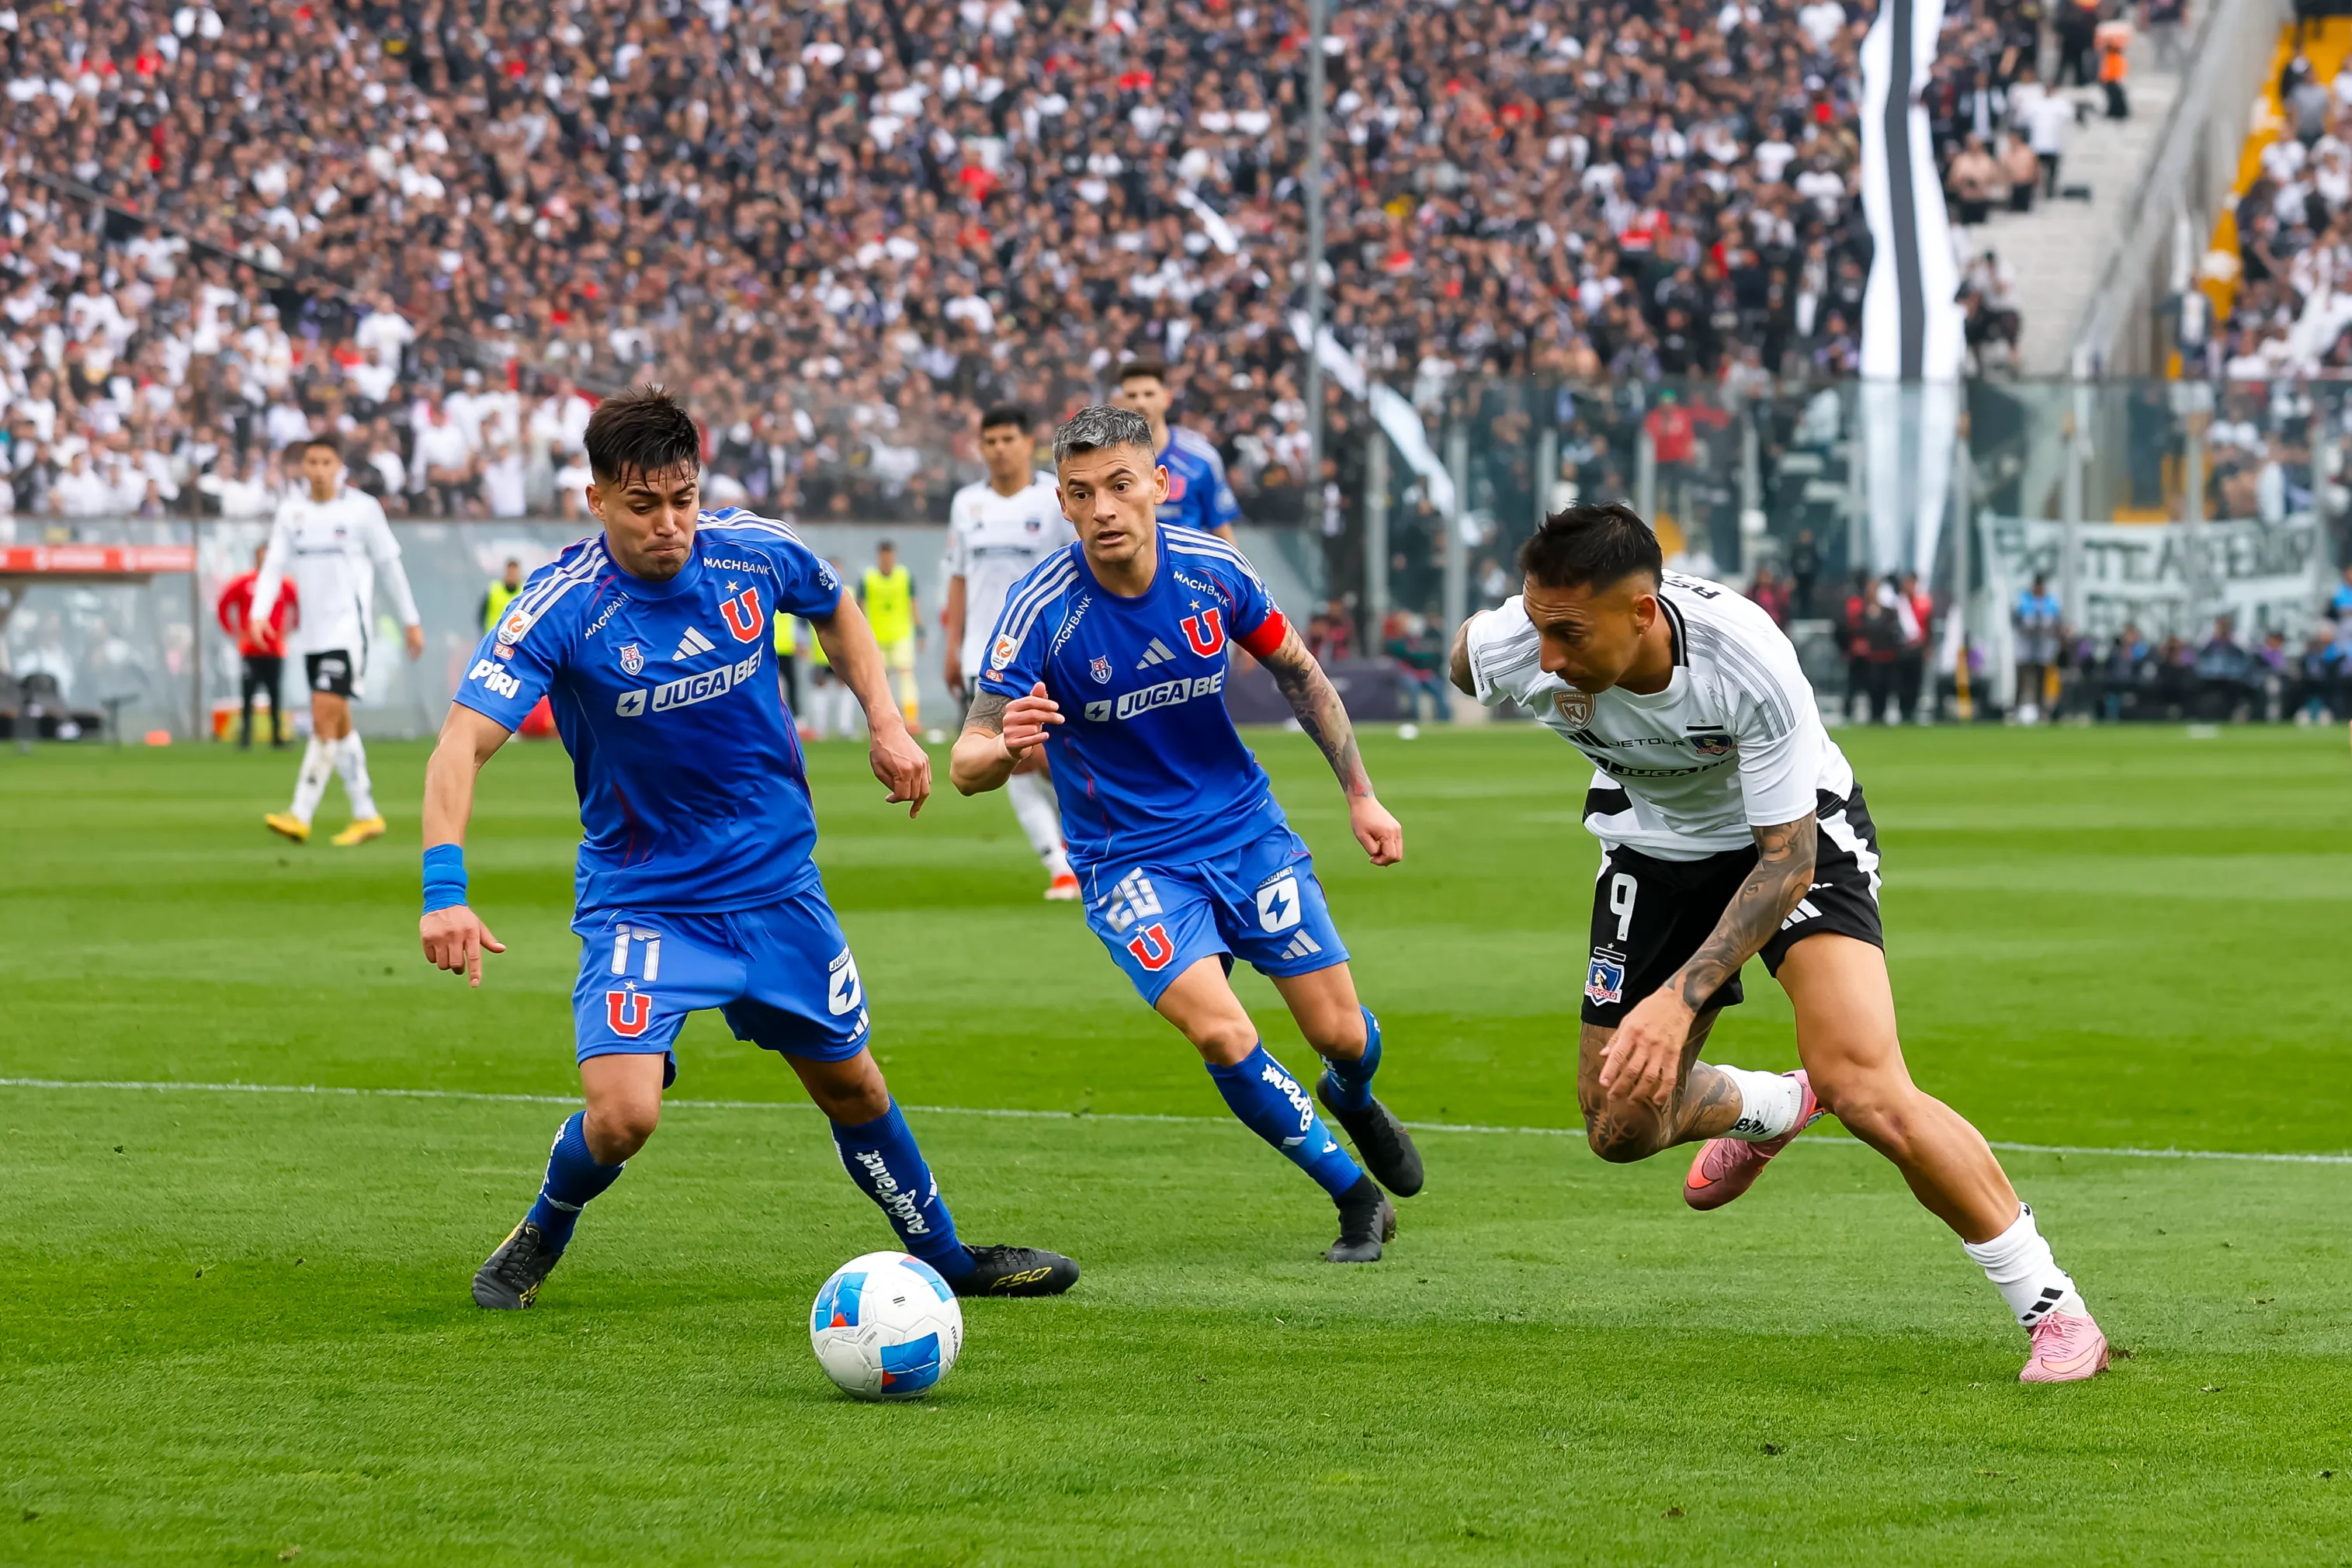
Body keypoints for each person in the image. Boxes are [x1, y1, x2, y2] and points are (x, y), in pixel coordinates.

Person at [418, 385, 1077, 1310]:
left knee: (853, 1087)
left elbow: (836, 608)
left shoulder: (753, 551)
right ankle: (541, 1230)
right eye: (642, 506)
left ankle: (950, 1259)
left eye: (682, 499)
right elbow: (461, 739)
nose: (669, 525)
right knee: (621, 1118)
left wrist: (886, 723)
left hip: (776, 890)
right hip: (645, 897)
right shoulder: (562, 607)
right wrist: (444, 887)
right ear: (597, 500)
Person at [1448, 505, 2107, 1383]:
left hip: (1794, 841)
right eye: (1537, 628)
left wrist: (1676, 999)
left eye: (1568, 633)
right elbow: (1466, 659)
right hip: (1653, 848)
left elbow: (1787, 863)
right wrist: (1506, 635)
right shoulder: (1517, 644)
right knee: (1619, 1126)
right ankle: (1777, 1106)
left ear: (1642, 612)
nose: (1549, 657)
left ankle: (2055, 1309)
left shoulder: (1744, 659)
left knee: (1867, 1088)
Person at [949, 405, 1421, 1262]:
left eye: (1121, 486)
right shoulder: (1039, 609)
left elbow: (1301, 676)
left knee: (1342, 1035)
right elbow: (966, 757)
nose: (1103, 509)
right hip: (1127, 859)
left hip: (1245, 832)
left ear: (1160, 487)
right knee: (1222, 1032)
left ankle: (1351, 1093)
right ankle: (1355, 1196)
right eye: (1083, 492)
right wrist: (1004, 746)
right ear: (1062, 502)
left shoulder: (1214, 570)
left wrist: (1363, 795)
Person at [252, 435, 424, 846]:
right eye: (311, 462)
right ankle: (365, 813)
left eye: (326, 462)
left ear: (339, 467)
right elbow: (274, 564)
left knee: (324, 714)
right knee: (339, 720)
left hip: (348, 632)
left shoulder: (363, 510)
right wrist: (259, 611)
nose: (318, 470)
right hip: (312, 634)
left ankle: (300, 811)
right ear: (302, 467)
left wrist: (410, 620)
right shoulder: (291, 513)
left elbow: (390, 566)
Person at [942, 405, 1081, 900]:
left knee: (1051, 758)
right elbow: (958, 578)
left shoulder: (1054, 499)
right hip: (985, 656)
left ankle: (1087, 842)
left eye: (1008, 439)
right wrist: (952, 646)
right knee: (1018, 758)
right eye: (991, 440)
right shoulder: (966, 505)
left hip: (1052, 651)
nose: (999, 449)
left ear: (1028, 443)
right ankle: (1061, 863)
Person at [1113, 360, 1240, 543]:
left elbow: (1223, 534)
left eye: (1149, 394)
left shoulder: (1202, 459)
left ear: (1167, 398)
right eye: (1132, 395)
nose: (1140, 402)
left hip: (1186, 569)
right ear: (1119, 402)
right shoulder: (1106, 461)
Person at [217, 543, 296, 748]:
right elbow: (224, 604)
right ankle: (245, 737)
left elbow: (298, 604)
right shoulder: (244, 582)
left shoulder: (283, 583)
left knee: (275, 694)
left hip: (274, 650)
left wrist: (290, 630)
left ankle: (277, 736)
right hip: (250, 650)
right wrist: (233, 631)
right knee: (247, 693)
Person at [859, 540, 921, 727]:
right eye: (883, 556)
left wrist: (920, 629)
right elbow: (860, 608)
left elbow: (913, 604)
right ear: (879, 557)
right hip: (876, 638)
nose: (887, 560)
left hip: (901, 635)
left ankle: (911, 720)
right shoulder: (868, 579)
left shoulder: (904, 576)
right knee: (879, 681)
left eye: (890, 556)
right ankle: (882, 721)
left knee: (906, 675)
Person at [2014, 574, 2062, 723]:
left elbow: (2057, 622)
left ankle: (2041, 710)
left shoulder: (2051, 602)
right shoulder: (2024, 600)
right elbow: (2016, 619)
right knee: (2022, 678)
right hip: (2026, 646)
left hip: (2043, 647)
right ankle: (2018, 709)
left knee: (2042, 679)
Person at [479, 557, 525, 633]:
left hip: (513, 640)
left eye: (514, 573)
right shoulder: (493, 590)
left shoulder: (524, 592)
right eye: (510, 572)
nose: (512, 575)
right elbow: (481, 616)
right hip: (493, 637)